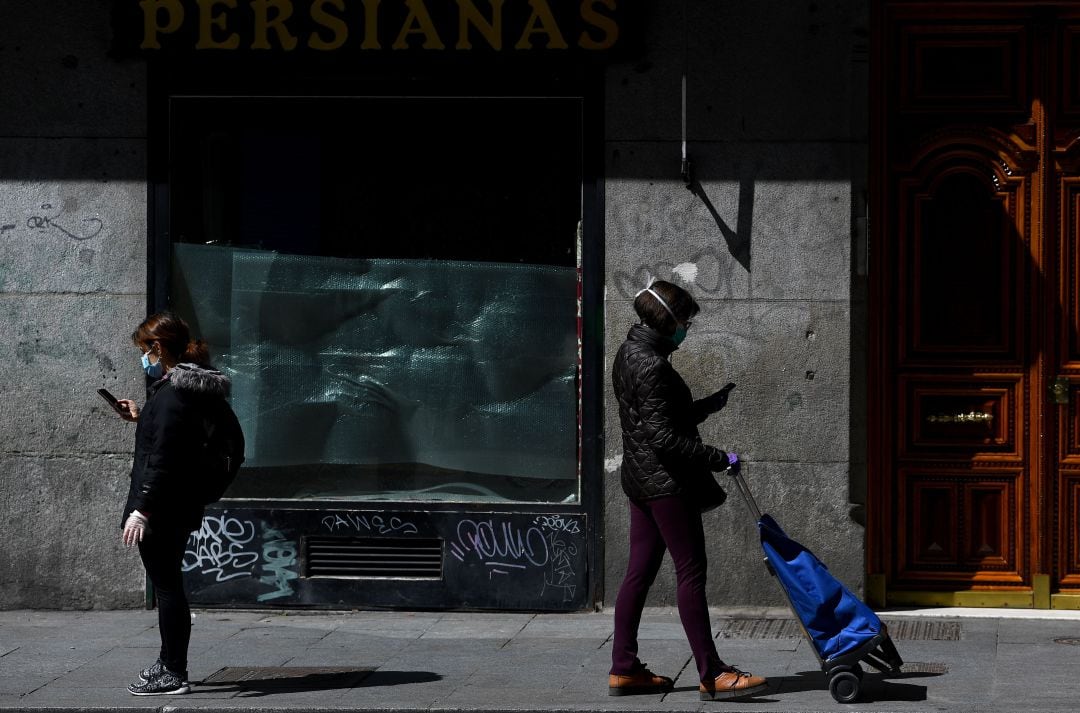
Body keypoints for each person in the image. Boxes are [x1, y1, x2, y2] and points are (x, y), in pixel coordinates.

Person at [607, 280, 768, 701]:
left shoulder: (628, 353)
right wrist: (719, 457)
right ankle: (712, 673)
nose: (688, 330)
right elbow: (663, 438)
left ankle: (623, 669)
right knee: (691, 574)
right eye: (686, 322)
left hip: (640, 481)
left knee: (637, 575)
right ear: (670, 320)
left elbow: (656, 420)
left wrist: (708, 405)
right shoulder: (655, 365)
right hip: (666, 485)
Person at [114, 311, 230, 696]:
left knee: (167, 588)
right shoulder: (184, 389)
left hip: (162, 507)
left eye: (144, 350)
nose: (142, 357)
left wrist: (141, 510)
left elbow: (163, 457)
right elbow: (175, 438)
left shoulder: (172, 395)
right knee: (168, 585)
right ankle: (168, 662)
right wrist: (141, 416)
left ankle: (173, 671)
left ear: (158, 347)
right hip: (178, 501)